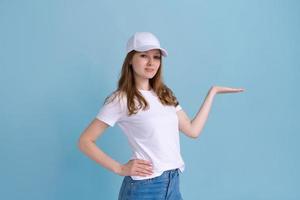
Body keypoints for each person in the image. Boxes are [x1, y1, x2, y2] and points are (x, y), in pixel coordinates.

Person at [77, 32, 245, 200]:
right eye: (144, 56)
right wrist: (119, 168)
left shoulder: (165, 94)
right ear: (130, 59)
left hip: (173, 183)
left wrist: (212, 93)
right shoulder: (121, 99)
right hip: (144, 188)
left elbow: (193, 131)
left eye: (156, 57)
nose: (151, 63)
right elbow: (85, 141)